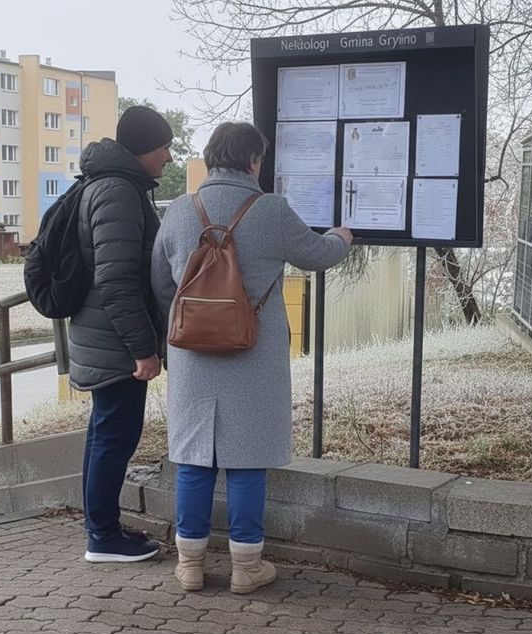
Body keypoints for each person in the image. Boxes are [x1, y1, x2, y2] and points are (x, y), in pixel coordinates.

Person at [151, 122, 352, 593]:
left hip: (192, 353)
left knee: (194, 459)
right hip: (253, 353)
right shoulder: (271, 210)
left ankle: (190, 566)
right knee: (246, 460)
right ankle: (246, 568)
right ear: (254, 161)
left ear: (210, 156)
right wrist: (342, 236)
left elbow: (161, 281)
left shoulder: (179, 210)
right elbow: (318, 255)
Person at [70, 106, 172, 563]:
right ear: (144, 149)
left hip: (103, 335)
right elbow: (116, 279)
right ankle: (102, 538)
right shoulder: (118, 191)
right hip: (114, 341)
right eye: (164, 147)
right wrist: (143, 349)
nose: (169, 157)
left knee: (104, 434)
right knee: (115, 436)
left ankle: (102, 528)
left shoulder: (109, 183)